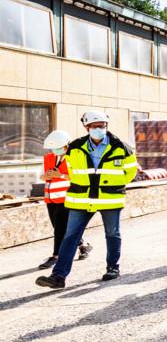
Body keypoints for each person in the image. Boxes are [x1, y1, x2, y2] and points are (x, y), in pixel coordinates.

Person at [36, 112, 138, 289]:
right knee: (70, 237)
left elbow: (130, 172)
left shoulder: (122, 147)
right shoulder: (75, 146)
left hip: (109, 199)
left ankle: (113, 268)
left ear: (106, 126)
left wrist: (112, 185)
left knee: (112, 234)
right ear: (86, 128)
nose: (99, 129)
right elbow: (72, 170)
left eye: (102, 125)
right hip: (80, 199)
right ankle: (58, 277)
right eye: (94, 126)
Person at [37, 130, 92, 270]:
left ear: (66, 145)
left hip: (66, 198)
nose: (54, 150)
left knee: (60, 229)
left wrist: (60, 175)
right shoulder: (49, 157)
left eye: (57, 147)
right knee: (61, 228)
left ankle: (56, 256)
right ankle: (83, 246)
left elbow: (79, 177)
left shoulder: (74, 158)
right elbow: (41, 176)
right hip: (50, 199)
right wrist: (47, 176)